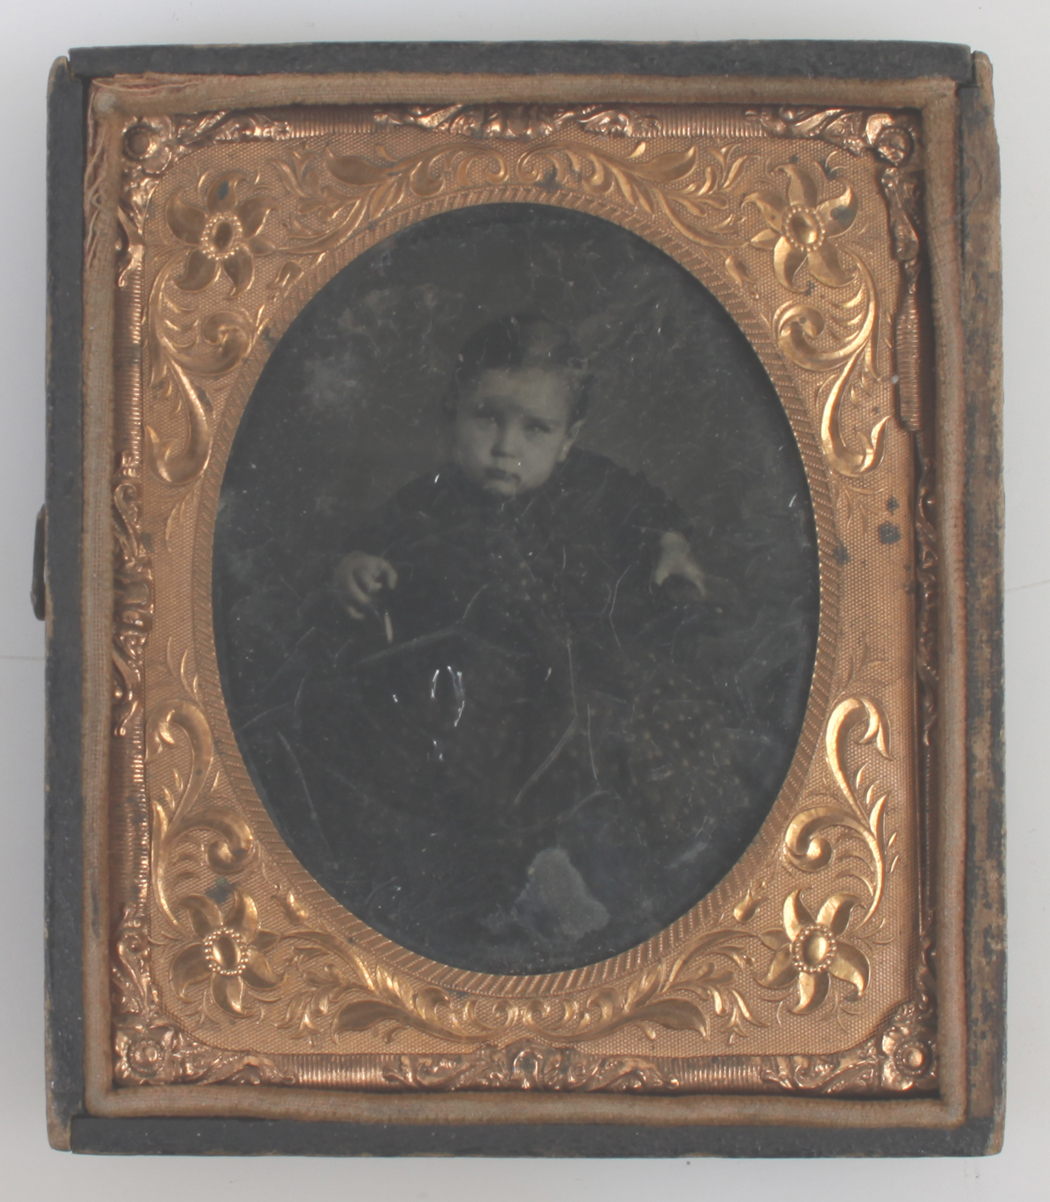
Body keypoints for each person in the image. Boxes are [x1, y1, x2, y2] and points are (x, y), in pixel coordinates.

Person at [273, 316, 741, 973]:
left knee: (621, 755)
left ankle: (589, 873)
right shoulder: (432, 498)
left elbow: (647, 505)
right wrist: (358, 566)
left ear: (568, 439)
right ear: (453, 418)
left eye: (534, 430)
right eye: (487, 419)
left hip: (577, 669)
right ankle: (506, 882)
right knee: (462, 789)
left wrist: (670, 543)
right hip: (472, 684)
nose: (504, 447)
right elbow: (375, 540)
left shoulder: (590, 486)